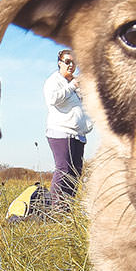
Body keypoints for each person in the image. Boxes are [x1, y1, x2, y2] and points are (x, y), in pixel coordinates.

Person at [43, 49, 92, 209]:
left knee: (76, 171)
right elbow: (52, 99)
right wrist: (72, 86)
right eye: (67, 61)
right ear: (60, 63)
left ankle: (67, 208)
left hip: (78, 134)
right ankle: (55, 208)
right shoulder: (54, 81)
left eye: (74, 62)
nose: (71, 65)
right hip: (60, 133)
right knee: (63, 169)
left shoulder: (75, 83)